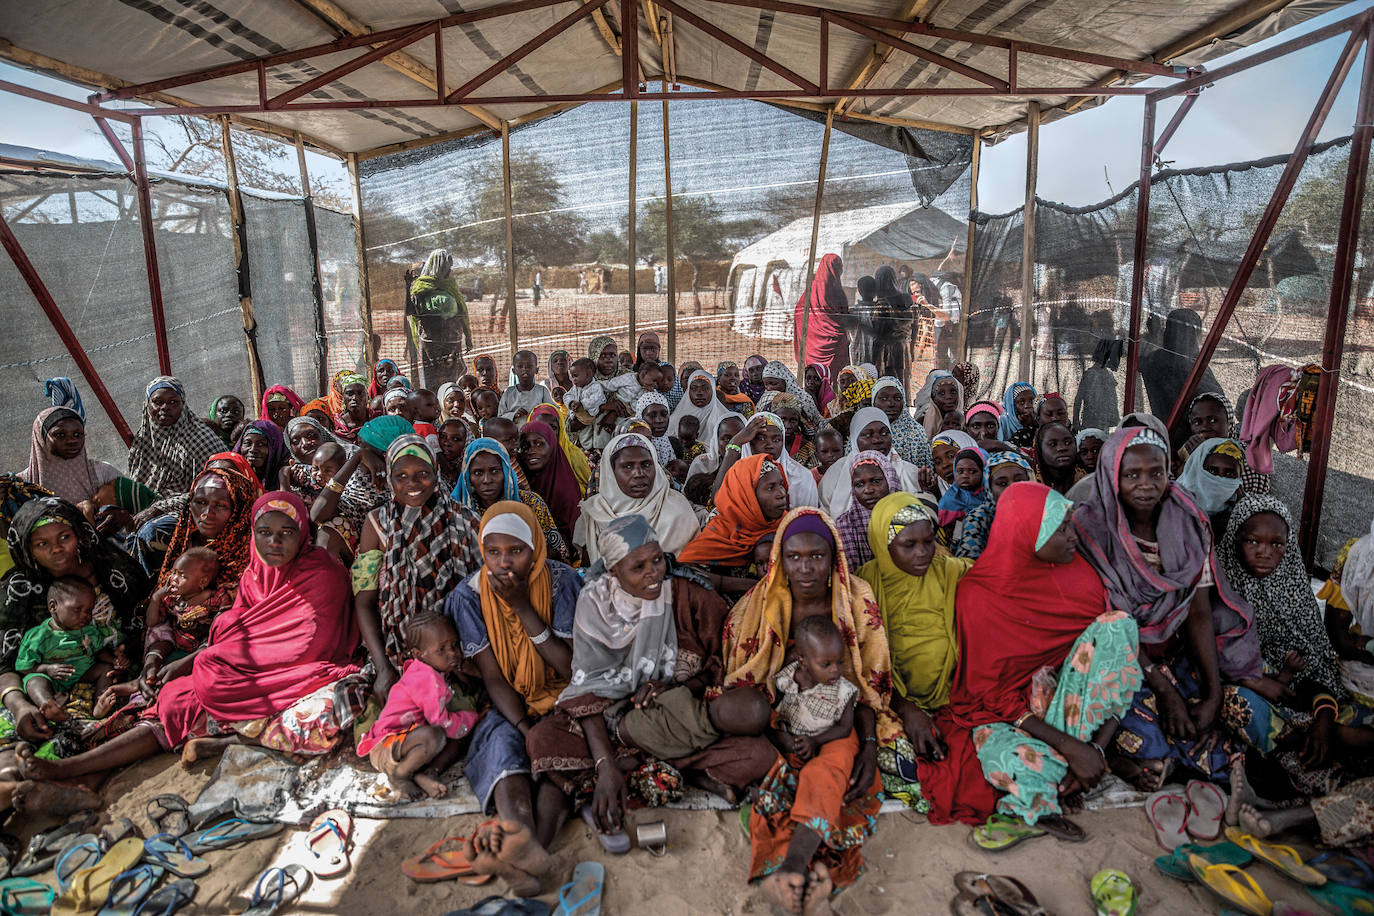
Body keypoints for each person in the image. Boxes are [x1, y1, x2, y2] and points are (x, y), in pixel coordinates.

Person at [16, 491, 366, 781]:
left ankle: (73, 769)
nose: (273, 542)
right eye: (264, 532)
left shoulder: (323, 574)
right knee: (172, 698)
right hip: (240, 672)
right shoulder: (254, 573)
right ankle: (68, 769)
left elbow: (308, 645)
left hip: (301, 671)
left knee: (207, 686)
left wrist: (205, 658)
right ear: (253, 533)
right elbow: (237, 630)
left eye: (286, 532)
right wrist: (193, 660)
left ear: (302, 531)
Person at [525, 516, 777, 845]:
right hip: (612, 720)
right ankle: (666, 770)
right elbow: (586, 689)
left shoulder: (690, 596)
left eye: (658, 559)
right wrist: (605, 765)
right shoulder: (596, 604)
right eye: (638, 567)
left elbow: (721, 663)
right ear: (613, 571)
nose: (654, 572)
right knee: (544, 738)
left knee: (759, 755)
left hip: (679, 716)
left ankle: (640, 767)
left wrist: (678, 686)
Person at [916, 482, 1142, 831]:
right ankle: (1054, 784)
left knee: (1118, 627)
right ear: (1026, 532)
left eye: (1069, 525)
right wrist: (1070, 748)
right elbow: (988, 697)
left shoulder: (1079, 577)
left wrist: (1093, 750)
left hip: (1069, 707)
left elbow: (1109, 668)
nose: (1072, 537)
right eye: (1060, 527)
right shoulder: (979, 596)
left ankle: (1081, 768)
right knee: (1003, 754)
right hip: (1013, 717)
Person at [722, 509, 897, 912]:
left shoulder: (856, 598)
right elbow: (748, 683)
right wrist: (779, 734)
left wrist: (868, 747)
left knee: (829, 770)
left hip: (840, 720)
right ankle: (805, 865)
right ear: (779, 559)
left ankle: (795, 863)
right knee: (774, 781)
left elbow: (867, 689)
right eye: (794, 556)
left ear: (832, 557)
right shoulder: (759, 604)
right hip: (781, 721)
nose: (805, 567)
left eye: (816, 556)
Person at [1075, 427, 1257, 789]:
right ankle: (1139, 758)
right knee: (1150, 746)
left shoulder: (1188, 521)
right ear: (1113, 474)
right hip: (1116, 661)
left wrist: (1213, 690)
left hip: (1175, 653)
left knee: (1226, 734)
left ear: (1168, 470)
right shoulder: (1091, 529)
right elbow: (1107, 625)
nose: (1146, 484)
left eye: (1156, 473)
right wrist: (1166, 691)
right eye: (1132, 475)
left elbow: (1199, 611)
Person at [446, 501, 579, 867]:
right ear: (482, 552)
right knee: (502, 748)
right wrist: (521, 726)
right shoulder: (469, 597)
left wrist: (522, 607)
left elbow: (570, 668)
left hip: (563, 693)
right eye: (493, 552)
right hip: (509, 701)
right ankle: (519, 840)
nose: (504, 563)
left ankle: (539, 846)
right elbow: (493, 676)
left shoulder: (562, 581)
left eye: (516, 551)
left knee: (556, 750)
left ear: (534, 548)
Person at [1217, 496, 1374, 782]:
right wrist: (1253, 680)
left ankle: (1310, 746)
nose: (1265, 552)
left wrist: (1323, 722)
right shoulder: (1219, 591)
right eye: (1253, 541)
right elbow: (1212, 659)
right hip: (1256, 697)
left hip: (1308, 702)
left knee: (1353, 722)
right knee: (1235, 702)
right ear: (1234, 540)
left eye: (1277, 544)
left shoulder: (1295, 593)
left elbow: (1318, 662)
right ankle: (1301, 753)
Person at [858, 494, 969, 807]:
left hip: (953, 697)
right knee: (906, 766)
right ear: (884, 543)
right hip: (890, 703)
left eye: (928, 542)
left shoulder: (951, 572)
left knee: (969, 759)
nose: (922, 553)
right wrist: (905, 708)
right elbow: (861, 666)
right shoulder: (864, 586)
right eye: (909, 545)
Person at [353, 435, 481, 700]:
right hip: (398, 651)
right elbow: (364, 600)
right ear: (389, 479)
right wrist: (383, 667)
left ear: (435, 474)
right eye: (401, 475)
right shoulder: (377, 523)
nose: (412, 483)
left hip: (460, 651)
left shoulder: (464, 520)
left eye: (422, 473)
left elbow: (482, 596)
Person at [356, 613, 477, 799]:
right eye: (442, 649)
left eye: (454, 645)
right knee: (436, 734)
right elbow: (442, 722)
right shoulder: (427, 678)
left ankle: (421, 775)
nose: (453, 653)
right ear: (419, 654)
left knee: (452, 735)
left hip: (404, 745)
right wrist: (473, 717)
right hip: (386, 746)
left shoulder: (426, 669)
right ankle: (399, 776)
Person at [576, 433, 700, 565]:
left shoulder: (678, 510)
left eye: (646, 465)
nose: (639, 474)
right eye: (627, 466)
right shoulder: (594, 514)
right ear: (611, 472)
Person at [17, 576, 124, 723]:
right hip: (52, 680)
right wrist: (47, 669)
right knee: (34, 681)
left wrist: (114, 660)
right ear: (53, 606)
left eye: (89, 610)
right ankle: (49, 706)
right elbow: (24, 668)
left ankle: (100, 702)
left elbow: (99, 652)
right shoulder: (38, 636)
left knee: (106, 669)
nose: (85, 616)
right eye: (77, 609)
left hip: (83, 676)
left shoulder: (90, 631)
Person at [678, 453, 787, 572]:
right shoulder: (719, 534)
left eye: (781, 485)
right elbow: (686, 571)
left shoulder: (789, 526)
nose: (781, 494)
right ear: (746, 495)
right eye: (771, 488)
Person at [772, 615, 859, 763]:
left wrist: (815, 741)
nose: (835, 670)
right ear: (802, 661)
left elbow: (844, 728)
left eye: (840, 662)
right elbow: (774, 707)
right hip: (786, 744)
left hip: (819, 746)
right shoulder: (787, 678)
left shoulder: (843, 691)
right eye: (826, 664)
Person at [128, 377, 228, 498]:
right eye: (157, 402)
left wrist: (159, 508)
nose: (165, 407)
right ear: (147, 405)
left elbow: (214, 492)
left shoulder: (201, 440)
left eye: (173, 402)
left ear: (183, 404)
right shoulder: (143, 441)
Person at [18, 407, 125, 516]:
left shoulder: (103, 473)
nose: (72, 441)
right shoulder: (20, 485)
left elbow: (139, 502)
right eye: (60, 435)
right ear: (41, 438)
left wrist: (122, 515)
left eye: (77, 434)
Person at [817, 407, 922, 517]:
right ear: (854, 438)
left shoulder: (910, 472)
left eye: (884, 433)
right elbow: (825, 514)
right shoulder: (836, 472)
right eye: (868, 435)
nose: (878, 440)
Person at [1141, 307, 1221, 447]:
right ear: (1194, 334)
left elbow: (1144, 357)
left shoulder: (1152, 361)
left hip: (1166, 437)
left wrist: (1154, 335)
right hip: (1194, 443)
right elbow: (1218, 403)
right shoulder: (1194, 367)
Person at [409, 250, 473, 386]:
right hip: (431, 343)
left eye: (449, 268)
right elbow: (412, 311)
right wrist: (406, 288)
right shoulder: (421, 285)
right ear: (438, 267)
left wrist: (468, 337)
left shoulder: (450, 285)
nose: (449, 271)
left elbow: (462, 311)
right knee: (432, 378)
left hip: (453, 341)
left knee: (453, 379)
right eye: (446, 267)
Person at [953, 451, 1031, 560]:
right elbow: (969, 564)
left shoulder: (1042, 513)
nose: (1012, 488)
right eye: (1002, 484)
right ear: (989, 488)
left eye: (1019, 481)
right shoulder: (978, 518)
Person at [518, 421, 582, 546]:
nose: (531, 451)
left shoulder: (565, 488)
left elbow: (574, 536)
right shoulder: (519, 480)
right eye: (525, 446)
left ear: (552, 445)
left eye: (539, 444)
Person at [833, 451, 897, 572]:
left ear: (890, 480)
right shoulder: (845, 526)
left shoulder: (906, 517)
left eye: (876, 481)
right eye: (859, 484)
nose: (868, 490)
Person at [794, 253, 850, 384]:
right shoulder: (837, 291)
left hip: (813, 346)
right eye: (837, 267)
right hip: (835, 345)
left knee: (815, 380)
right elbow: (845, 315)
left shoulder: (812, 290)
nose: (840, 271)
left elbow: (799, 312)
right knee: (832, 381)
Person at [873, 377, 933, 469]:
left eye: (897, 398)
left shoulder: (916, 433)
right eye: (883, 398)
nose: (891, 404)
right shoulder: (864, 433)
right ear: (873, 402)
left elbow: (926, 472)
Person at [234, 420, 289, 490]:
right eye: (248, 443)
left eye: (261, 444)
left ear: (276, 449)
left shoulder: (288, 478)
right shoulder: (233, 476)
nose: (253, 450)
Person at [500, 350, 552, 422]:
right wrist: (513, 415)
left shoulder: (542, 391)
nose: (524, 369)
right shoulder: (508, 393)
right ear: (514, 371)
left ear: (536, 370)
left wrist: (538, 413)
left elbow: (552, 411)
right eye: (520, 366)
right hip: (513, 431)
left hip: (536, 430)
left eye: (529, 366)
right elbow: (500, 416)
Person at [1031, 421, 1082, 495]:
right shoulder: (1030, 486)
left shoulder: (1089, 484)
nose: (1062, 448)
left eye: (1068, 443)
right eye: (1053, 444)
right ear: (1040, 450)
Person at [912, 370, 963, 442]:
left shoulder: (963, 421)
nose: (948, 397)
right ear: (933, 398)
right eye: (941, 393)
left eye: (953, 392)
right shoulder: (922, 423)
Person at [997, 382, 1038, 450]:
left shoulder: (1039, 420)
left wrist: (1032, 426)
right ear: (1012, 406)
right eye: (1021, 402)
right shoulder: (1002, 421)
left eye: (1032, 401)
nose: (1027, 406)